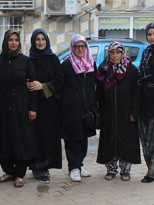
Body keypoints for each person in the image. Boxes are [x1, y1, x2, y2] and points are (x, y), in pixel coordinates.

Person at [0, 29, 37, 188]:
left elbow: (33, 86)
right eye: (10, 39)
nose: (13, 42)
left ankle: (19, 174)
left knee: (21, 138)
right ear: (5, 41)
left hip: (22, 106)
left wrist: (33, 108)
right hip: (3, 107)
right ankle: (8, 171)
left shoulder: (25, 61)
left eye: (16, 40)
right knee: (5, 138)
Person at [96, 41, 141, 181]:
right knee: (109, 138)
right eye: (112, 53)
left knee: (126, 139)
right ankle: (111, 169)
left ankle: (125, 171)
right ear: (108, 54)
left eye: (118, 52)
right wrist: (99, 110)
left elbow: (137, 93)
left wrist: (134, 112)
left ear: (123, 54)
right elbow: (99, 93)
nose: (115, 56)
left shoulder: (132, 70)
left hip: (126, 112)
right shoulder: (103, 69)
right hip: (108, 112)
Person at [27, 28, 64, 183]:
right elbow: (25, 78)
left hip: (50, 106)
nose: (40, 42)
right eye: (37, 39)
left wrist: (43, 86)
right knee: (35, 137)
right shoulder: (29, 60)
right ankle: (36, 167)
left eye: (43, 39)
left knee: (48, 136)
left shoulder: (53, 59)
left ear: (47, 41)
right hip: (34, 105)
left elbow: (60, 80)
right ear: (33, 41)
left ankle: (45, 168)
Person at [60, 35, 97, 182]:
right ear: (72, 47)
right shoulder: (67, 64)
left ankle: (79, 165)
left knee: (83, 139)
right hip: (70, 109)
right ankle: (73, 167)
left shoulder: (91, 64)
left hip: (86, 109)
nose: (80, 49)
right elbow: (60, 85)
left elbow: (95, 84)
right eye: (77, 46)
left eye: (82, 46)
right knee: (72, 139)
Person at [138, 22, 154, 183]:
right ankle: (150, 168)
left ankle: (152, 173)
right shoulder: (146, 52)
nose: (151, 37)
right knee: (145, 140)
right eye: (149, 34)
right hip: (145, 102)